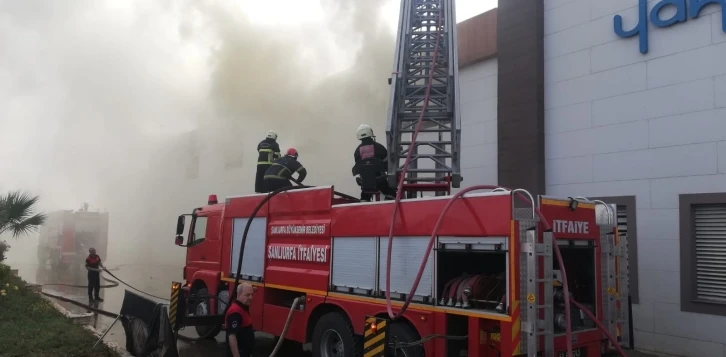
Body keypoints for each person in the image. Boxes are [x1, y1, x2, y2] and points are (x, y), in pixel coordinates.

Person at [353, 124, 397, 201]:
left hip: (365, 183)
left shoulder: (357, 151)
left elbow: (358, 166)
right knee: (391, 194)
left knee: (364, 197)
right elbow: (388, 161)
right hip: (380, 180)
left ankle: (364, 202)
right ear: (370, 132)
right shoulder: (379, 147)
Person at [225, 283, 256, 357]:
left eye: (252, 294)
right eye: (247, 295)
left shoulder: (243, 307)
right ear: (238, 295)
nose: (250, 297)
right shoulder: (235, 312)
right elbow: (232, 336)